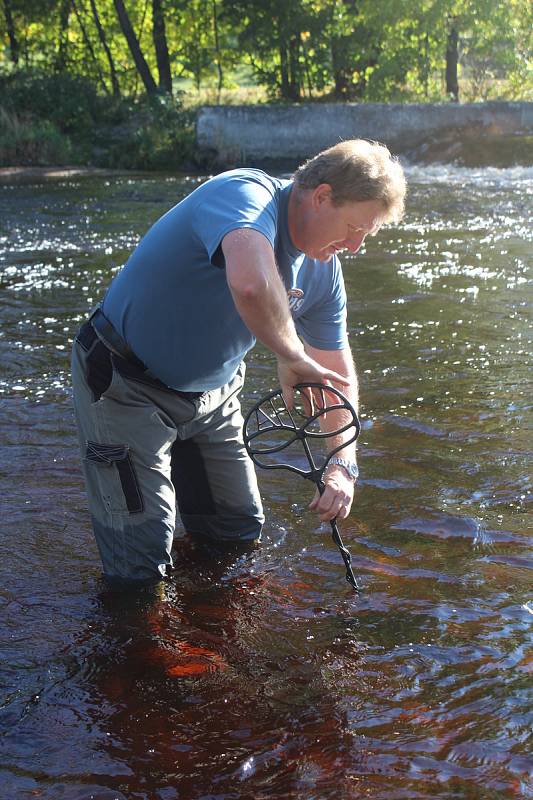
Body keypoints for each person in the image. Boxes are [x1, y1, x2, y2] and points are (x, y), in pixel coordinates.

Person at [71, 139, 406, 585]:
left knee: (237, 536)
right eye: (354, 228)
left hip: (215, 396)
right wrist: (292, 354)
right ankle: (154, 645)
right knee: (139, 567)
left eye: (367, 233)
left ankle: (207, 630)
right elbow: (250, 284)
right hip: (124, 385)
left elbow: (335, 375)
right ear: (322, 196)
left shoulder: (323, 272)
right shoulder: (243, 195)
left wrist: (343, 464)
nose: (357, 245)